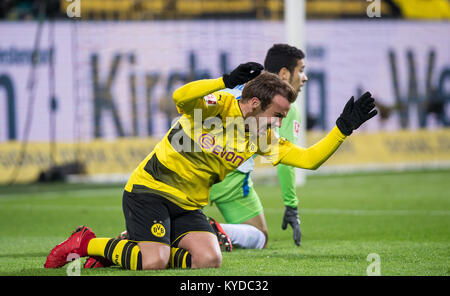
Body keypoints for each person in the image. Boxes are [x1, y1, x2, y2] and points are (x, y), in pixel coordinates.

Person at [45, 62, 377, 270]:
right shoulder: (220, 107)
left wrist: (342, 130)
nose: (279, 123)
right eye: (277, 115)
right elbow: (181, 97)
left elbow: (309, 160)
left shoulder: (260, 137)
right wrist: (222, 80)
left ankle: (129, 246)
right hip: (150, 191)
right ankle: (87, 243)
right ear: (254, 103)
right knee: (154, 262)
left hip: (187, 205)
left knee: (209, 260)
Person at [208, 44, 307, 250]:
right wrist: (291, 205)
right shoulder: (286, 107)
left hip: (199, 166)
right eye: (301, 70)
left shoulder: (241, 86)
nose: (304, 77)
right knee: (259, 237)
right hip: (232, 179)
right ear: (284, 74)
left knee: (259, 237)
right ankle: (207, 230)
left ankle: (203, 230)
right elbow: (285, 162)